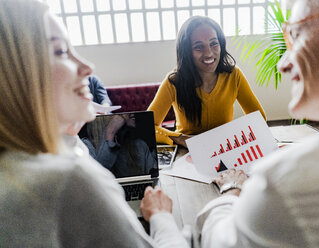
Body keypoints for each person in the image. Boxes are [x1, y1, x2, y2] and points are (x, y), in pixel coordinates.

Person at [0, 0, 188, 247]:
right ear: (15, 75)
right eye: (60, 52)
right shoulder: (68, 180)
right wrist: (162, 217)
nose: (88, 67)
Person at [187, 0, 319, 247]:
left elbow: (220, 241)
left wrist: (232, 188)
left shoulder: (285, 184)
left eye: (296, 34)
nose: (282, 63)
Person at [147, 16, 266, 147]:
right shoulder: (174, 81)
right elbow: (146, 127)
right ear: (186, 51)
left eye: (214, 43)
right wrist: (181, 139)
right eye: (198, 47)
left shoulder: (234, 75)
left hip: (224, 149)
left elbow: (259, 118)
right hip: (186, 151)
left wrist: (236, 137)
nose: (209, 53)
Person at [83, 114, 157, 178]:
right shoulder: (86, 146)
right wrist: (110, 133)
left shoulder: (140, 145)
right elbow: (96, 179)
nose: (132, 113)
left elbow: (153, 173)